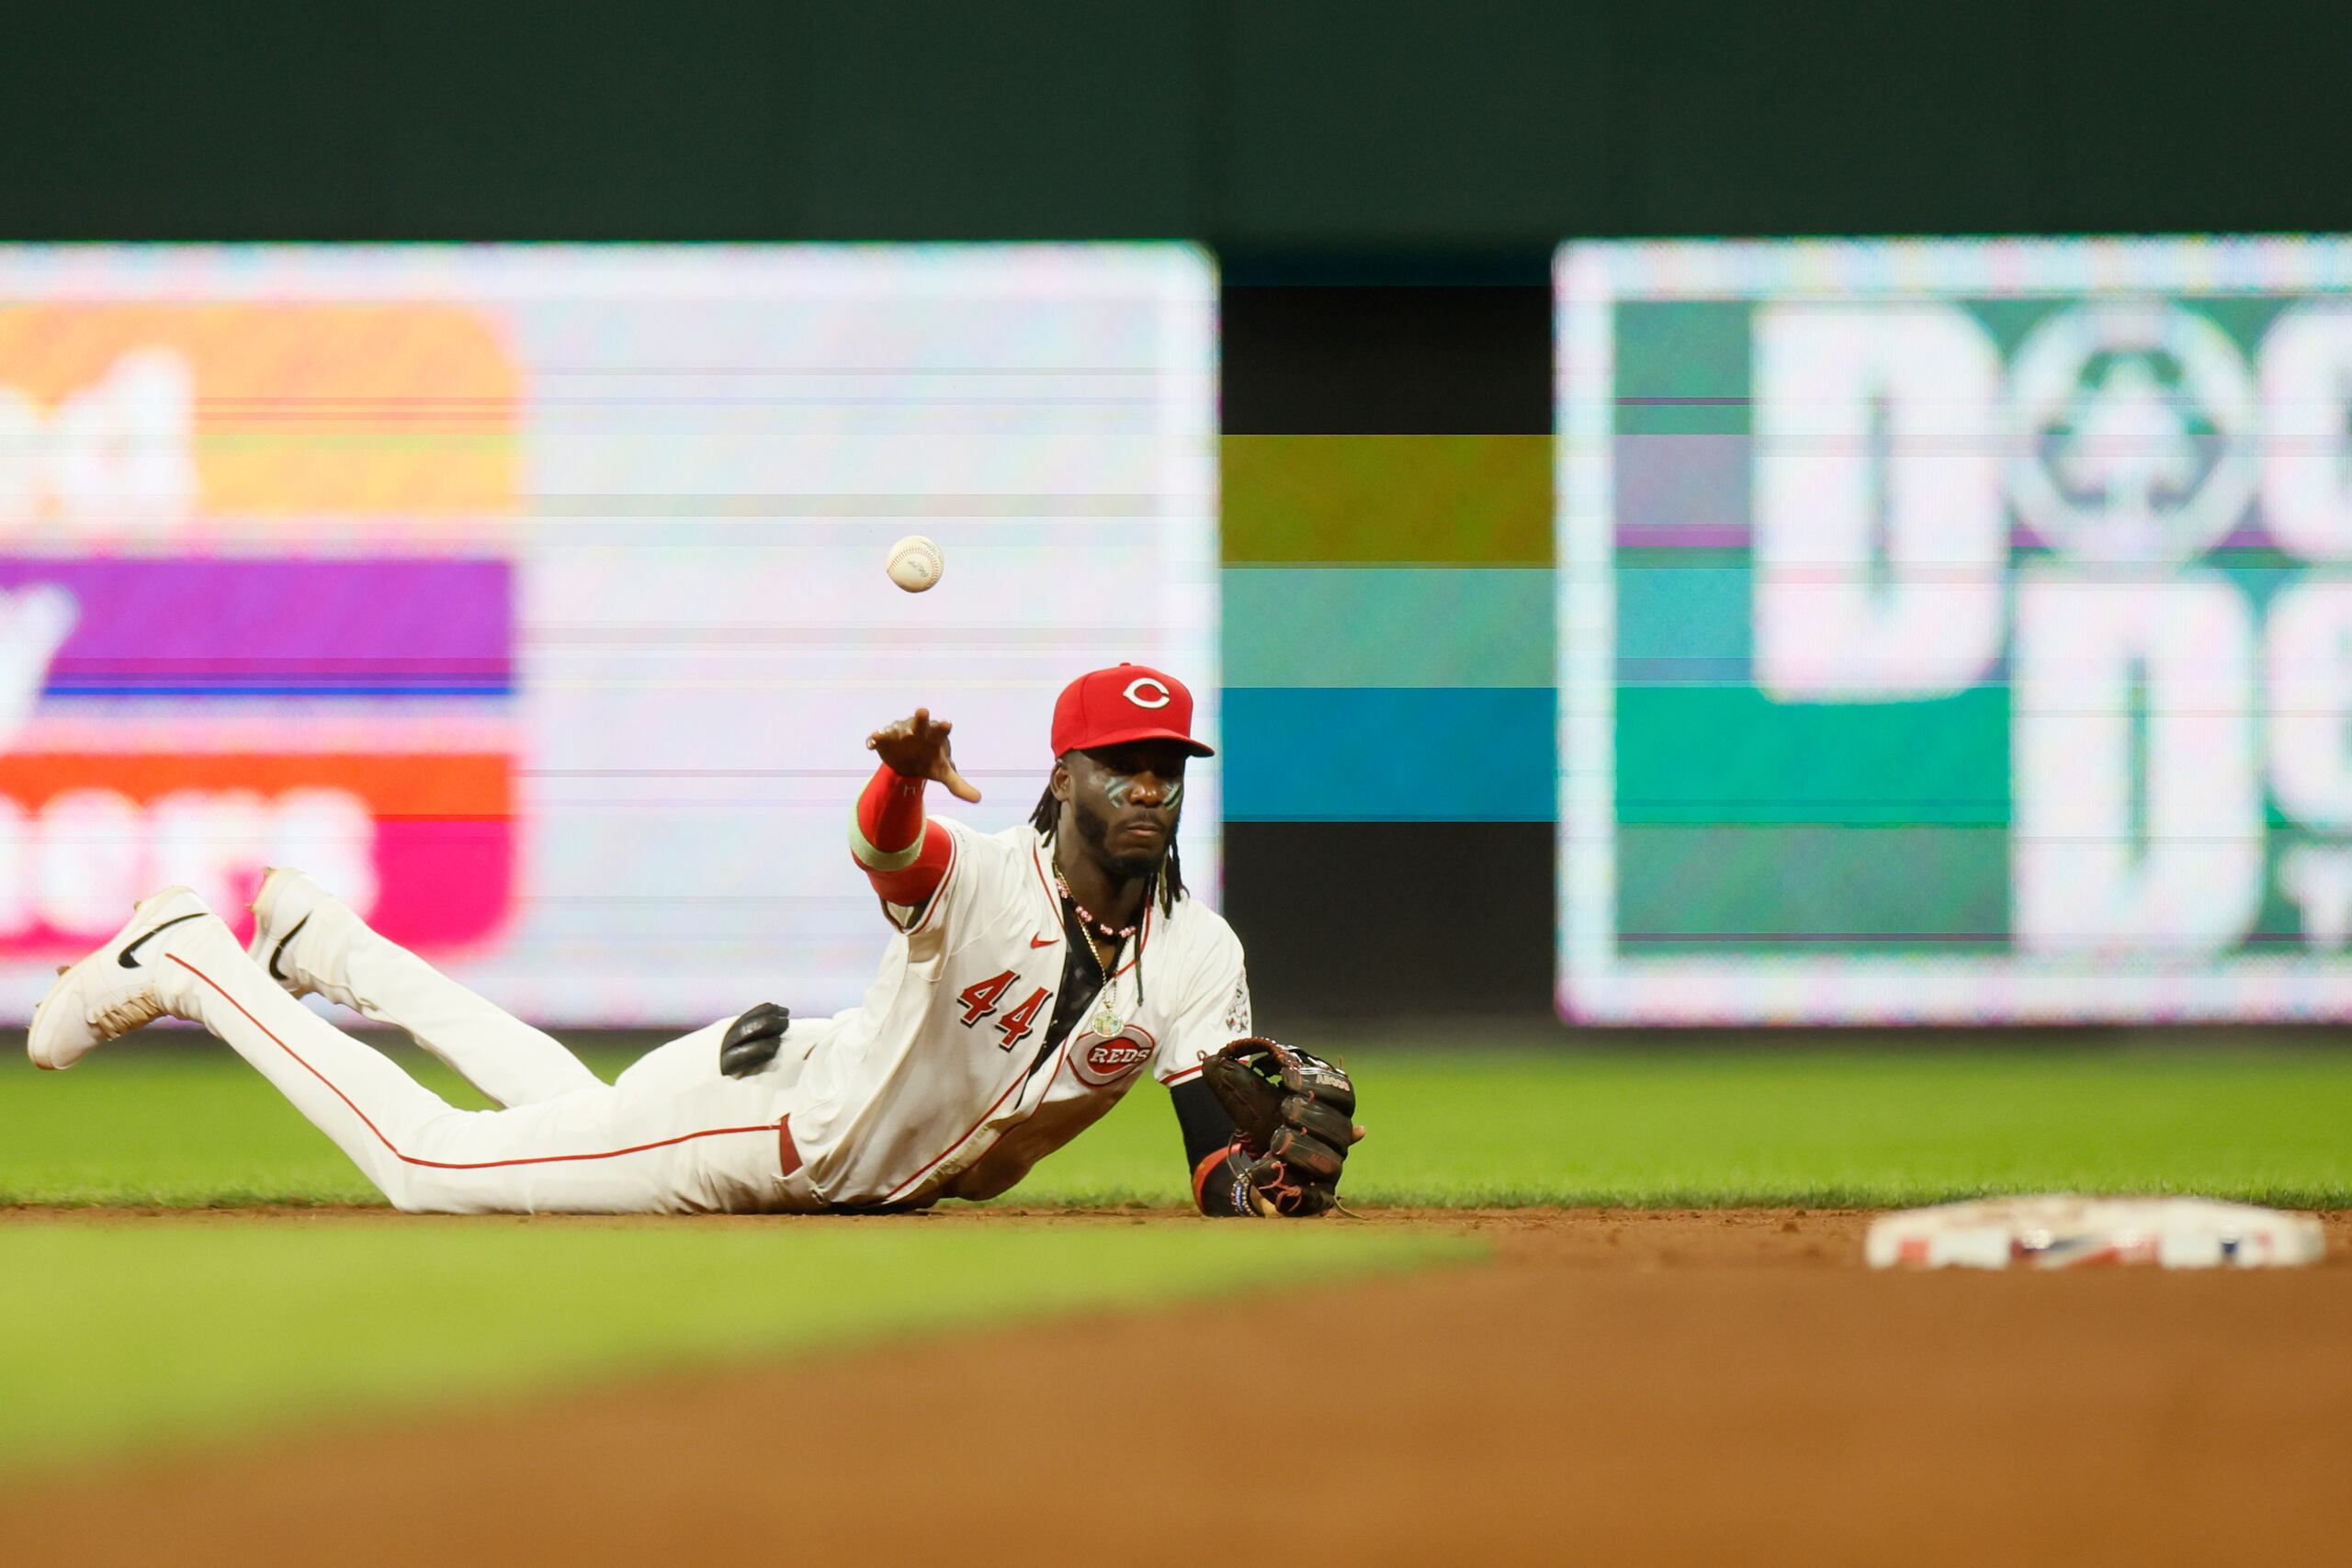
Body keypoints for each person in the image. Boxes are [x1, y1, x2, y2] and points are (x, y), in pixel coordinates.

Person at [25, 664, 1360, 1216]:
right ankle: (193, 957)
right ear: (1063, 776)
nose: (1152, 787)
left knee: (578, 1116)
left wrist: (1262, 1187)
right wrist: (898, 775)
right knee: (430, 1168)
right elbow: (892, 850)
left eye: (1168, 765)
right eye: (1123, 763)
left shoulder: (1200, 957)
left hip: (801, 1103)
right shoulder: (986, 876)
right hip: (766, 1131)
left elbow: (1213, 1157)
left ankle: (327, 944)